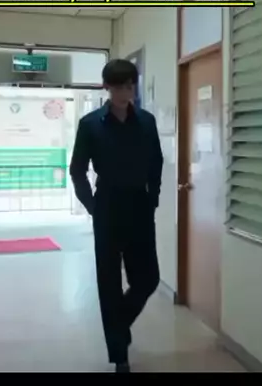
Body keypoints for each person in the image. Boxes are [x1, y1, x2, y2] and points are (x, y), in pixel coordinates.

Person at [69, 59, 163, 373]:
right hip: (107, 206)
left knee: (148, 278)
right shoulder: (90, 124)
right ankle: (120, 355)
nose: (127, 92)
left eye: (131, 85)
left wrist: (153, 199)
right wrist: (93, 207)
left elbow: (156, 163)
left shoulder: (146, 122)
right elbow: (77, 170)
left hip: (139, 205)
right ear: (107, 87)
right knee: (109, 283)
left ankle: (118, 325)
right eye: (120, 86)